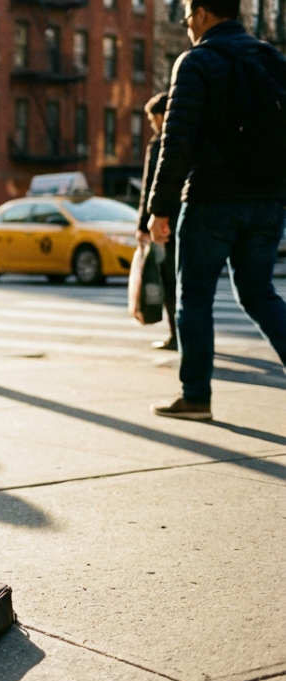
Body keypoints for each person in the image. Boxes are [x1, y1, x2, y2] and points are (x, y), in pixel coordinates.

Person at [147, 0, 286, 420]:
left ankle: (195, 396)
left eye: (187, 14)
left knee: (194, 297)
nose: (187, 23)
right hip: (268, 200)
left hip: (212, 201)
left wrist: (160, 209)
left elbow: (177, 143)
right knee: (259, 292)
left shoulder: (196, 61)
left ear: (203, 13)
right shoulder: (271, 58)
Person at [136, 92, 178, 351]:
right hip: (187, 219)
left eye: (152, 120)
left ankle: (176, 335)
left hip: (163, 223)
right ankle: (190, 336)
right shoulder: (190, 138)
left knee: (168, 280)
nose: (152, 125)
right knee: (187, 282)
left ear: (161, 116)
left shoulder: (159, 144)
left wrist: (143, 225)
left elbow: (149, 187)